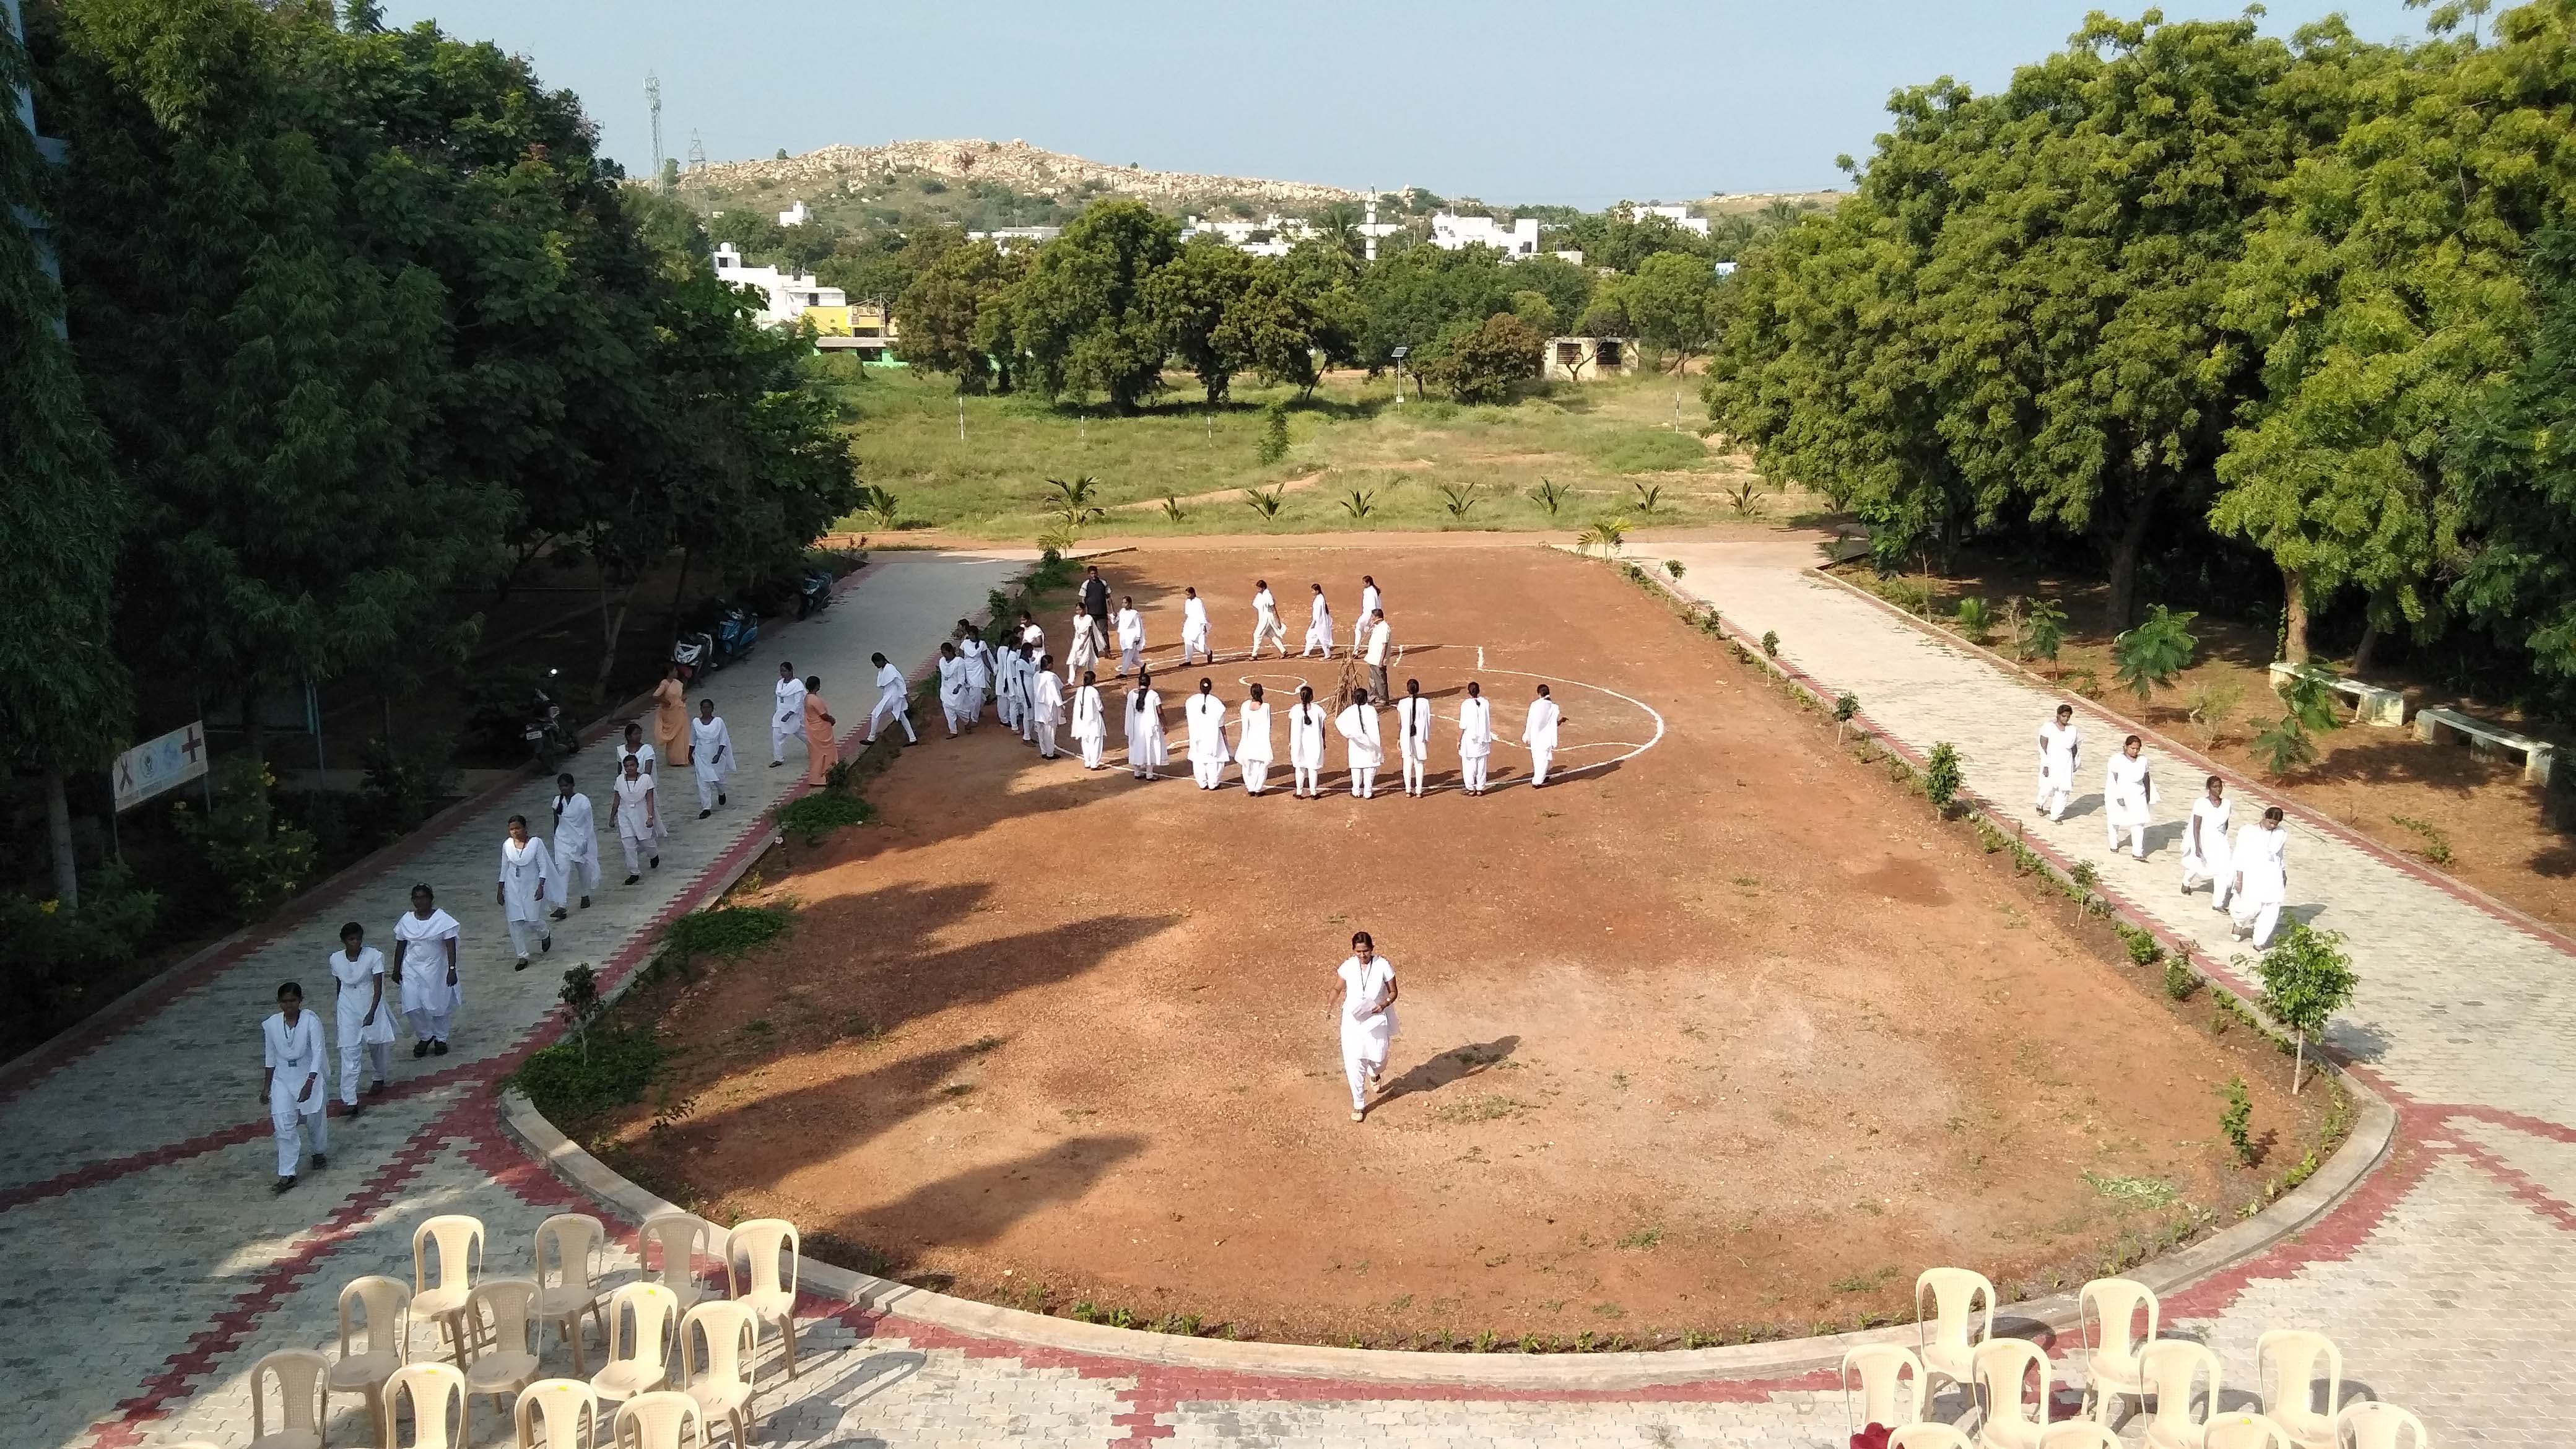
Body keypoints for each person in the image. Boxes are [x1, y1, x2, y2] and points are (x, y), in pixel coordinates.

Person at [261, 981, 329, 1191]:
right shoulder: (272, 1024)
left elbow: (318, 1051)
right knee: (283, 1124)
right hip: (282, 1077)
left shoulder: (311, 1021)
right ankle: (288, 1173)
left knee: (314, 1117)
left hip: (308, 1073)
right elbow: (270, 1056)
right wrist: (267, 1087)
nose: (288, 1006)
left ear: (300, 1000)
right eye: (284, 1002)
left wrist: (310, 1082)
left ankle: (319, 1151)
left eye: (292, 1001)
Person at [1332, 932, 1399, 1123]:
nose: (1363, 955)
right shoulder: (1348, 966)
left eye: (1366, 951)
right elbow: (1338, 987)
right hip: (1352, 1020)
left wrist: (1384, 1004)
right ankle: (1359, 1104)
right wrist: (1331, 1000)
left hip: (1376, 1018)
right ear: (1354, 951)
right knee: (1353, 1060)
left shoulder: (1382, 965)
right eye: (1359, 952)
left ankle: (1375, 1073)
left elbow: (1394, 992)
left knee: (1379, 1058)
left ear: (1372, 949)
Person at [327, 922, 392, 1116]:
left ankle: (379, 1076)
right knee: (348, 1049)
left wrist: (372, 1012)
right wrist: (341, 1009)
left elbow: (378, 986)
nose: (355, 943)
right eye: (351, 939)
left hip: (370, 1000)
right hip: (347, 1005)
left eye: (358, 939)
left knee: (377, 1044)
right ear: (344, 941)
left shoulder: (374, 956)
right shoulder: (336, 959)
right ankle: (350, 1099)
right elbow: (339, 984)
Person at [391, 884, 461, 1058]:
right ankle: (425, 1036)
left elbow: (450, 945)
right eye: (416, 898)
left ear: (431, 899)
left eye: (423, 897)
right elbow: (401, 944)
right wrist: (396, 968)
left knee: (439, 1005)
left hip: (437, 967)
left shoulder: (442, 920)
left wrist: (452, 969)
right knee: (411, 1005)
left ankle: (441, 1038)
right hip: (412, 968)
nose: (419, 901)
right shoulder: (406, 920)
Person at [496, 814, 554, 971]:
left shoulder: (536, 843)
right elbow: (504, 867)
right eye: (511, 829)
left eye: (518, 828)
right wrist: (500, 889)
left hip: (532, 885)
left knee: (533, 919)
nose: (515, 832)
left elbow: (543, 866)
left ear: (525, 828)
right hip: (512, 887)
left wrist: (541, 886)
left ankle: (544, 933)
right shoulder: (507, 845)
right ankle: (522, 955)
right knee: (515, 922)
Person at [2229, 806, 2291, 947]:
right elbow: (2240, 855)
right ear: (2264, 816)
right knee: (2249, 907)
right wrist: (2239, 878)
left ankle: (2259, 941)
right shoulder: (2248, 831)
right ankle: (2239, 922)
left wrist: (2283, 873)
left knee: (2272, 906)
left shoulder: (2281, 833)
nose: (2273, 826)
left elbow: (2280, 855)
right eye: (2270, 822)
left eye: (2276, 823)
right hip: (2251, 873)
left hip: (2272, 874)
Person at [548, 773, 598, 918]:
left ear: (572, 785)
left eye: (566, 785)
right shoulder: (557, 801)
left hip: (580, 840)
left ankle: (585, 894)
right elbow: (556, 821)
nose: (564, 788)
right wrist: (556, 836)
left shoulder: (583, 801)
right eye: (561, 786)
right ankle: (561, 905)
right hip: (562, 840)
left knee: (582, 869)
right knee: (563, 870)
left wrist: (586, 841)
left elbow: (588, 823)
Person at [2182, 775, 2234, 903]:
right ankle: (2186, 882)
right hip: (2204, 838)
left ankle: (2218, 903)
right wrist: (2197, 846)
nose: (2218, 789)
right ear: (2208, 788)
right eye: (2215, 787)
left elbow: (2225, 823)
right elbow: (2196, 826)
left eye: (2220, 786)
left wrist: (2223, 837)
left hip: (2220, 840)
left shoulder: (2226, 804)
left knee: (2223, 869)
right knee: (2197, 863)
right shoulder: (2201, 803)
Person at [2104, 734, 2156, 859]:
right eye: (2132, 748)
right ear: (2126, 747)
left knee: (2139, 822)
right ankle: (2114, 843)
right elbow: (2114, 779)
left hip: (2138, 794)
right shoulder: (2116, 759)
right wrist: (2119, 795)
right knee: (2115, 819)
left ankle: (2137, 852)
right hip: (2119, 792)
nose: (2135, 751)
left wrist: (2148, 795)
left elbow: (2146, 777)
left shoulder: (2143, 760)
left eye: (2137, 749)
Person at [610, 755, 659, 883]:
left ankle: (653, 855)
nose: (629, 768)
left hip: (641, 812)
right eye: (626, 766)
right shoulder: (620, 780)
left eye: (632, 765)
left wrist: (650, 817)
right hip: (625, 813)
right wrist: (612, 817)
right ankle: (634, 872)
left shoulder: (646, 779)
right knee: (628, 844)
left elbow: (649, 799)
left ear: (637, 766)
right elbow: (616, 799)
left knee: (646, 841)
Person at [1336, 686, 1384, 798]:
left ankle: (1356, 791)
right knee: (1370, 766)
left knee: (1356, 766)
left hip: (1355, 744)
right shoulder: (1372, 710)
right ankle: (1368, 792)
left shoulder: (1350, 710)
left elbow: (1338, 722)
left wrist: (1350, 735)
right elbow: (1377, 725)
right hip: (1371, 742)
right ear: (1366, 698)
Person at [2035, 703, 2081, 822]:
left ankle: (2056, 815)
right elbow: (2043, 746)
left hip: (2066, 762)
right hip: (2051, 761)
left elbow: (2074, 747)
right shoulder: (2048, 728)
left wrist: (2075, 762)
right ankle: (2040, 804)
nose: (2066, 719)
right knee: (2047, 787)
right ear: (2058, 715)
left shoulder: (2072, 730)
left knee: (2064, 789)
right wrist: (2046, 764)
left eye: (2068, 717)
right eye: (2064, 716)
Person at [689, 699, 734, 817]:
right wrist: (690, 755)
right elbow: (693, 740)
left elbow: (723, 739)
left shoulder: (718, 722)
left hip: (715, 754)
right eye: (704, 707)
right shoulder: (696, 722)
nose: (706, 710)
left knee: (718, 778)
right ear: (700, 709)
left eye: (708, 707)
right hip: (701, 755)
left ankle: (721, 792)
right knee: (703, 782)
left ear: (713, 709)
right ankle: (706, 807)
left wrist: (718, 755)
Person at [1185, 678, 1231, 789]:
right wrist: (1224, 736)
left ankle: (1202, 783)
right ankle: (1213, 783)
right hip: (1213, 736)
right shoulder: (1216, 703)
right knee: (1215, 759)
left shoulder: (1191, 701)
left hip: (1196, 734)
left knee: (1198, 758)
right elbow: (1221, 724)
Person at [1391, 678, 1434, 797]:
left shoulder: (1402, 703)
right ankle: (1419, 791)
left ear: (1407, 690)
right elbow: (1428, 721)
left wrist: (1399, 738)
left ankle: (1408, 790)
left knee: (1407, 763)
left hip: (1406, 735)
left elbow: (1399, 722)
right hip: (1420, 736)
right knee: (1419, 763)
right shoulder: (1425, 702)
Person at [864, 653, 916, 746]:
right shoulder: (884, 670)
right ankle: (913, 738)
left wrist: (907, 697)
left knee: (876, 713)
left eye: (876, 663)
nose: (875, 665)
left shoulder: (890, 668)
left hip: (893, 696)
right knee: (902, 717)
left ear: (880, 661)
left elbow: (900, 683)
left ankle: (871, 738)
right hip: (892, 695)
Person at [1125, 671, 1168, 780]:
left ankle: (1137, 772)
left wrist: (1126, 694)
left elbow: (1133, 701)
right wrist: (1165, 724)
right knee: (1150, 747)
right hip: (1149, 724)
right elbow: (1160, 711)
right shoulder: (1154, 695)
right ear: (1149, 683)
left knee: (1137, 746)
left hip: (1136, 725)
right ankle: (1149, 774)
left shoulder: (1131, 694)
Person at [1289, 684, 1328, 798]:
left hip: (1299, 743)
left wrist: (1290, 742)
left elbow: (1290, 727)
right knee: (1313, 767)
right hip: (1314, 742)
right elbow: (1323, 727)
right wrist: (1323, 740)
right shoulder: (1318, 710)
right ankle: (1313, 792)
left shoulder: (1295, 710)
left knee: (1300, 767)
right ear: (1311, 697)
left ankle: (1299, 792)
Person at [652, 664, 692, 772]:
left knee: (682, 734)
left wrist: (682, 698)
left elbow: (680, 694)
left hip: (680, 710)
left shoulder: (678, 683)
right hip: (671, 713)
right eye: (675, 670)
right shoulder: (665, 684)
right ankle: (675, 759)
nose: (677, 672)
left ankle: (683, 758)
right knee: (674, 736)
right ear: (670, 672)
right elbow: (656, 696)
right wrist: (666, 702)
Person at [1523, 683, 1563, 787]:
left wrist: (1527, 734)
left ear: (1539, 694)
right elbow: (1553, 723)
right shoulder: (1553, 707)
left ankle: (1539, 779)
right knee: (1544, 758)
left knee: (1537, 758)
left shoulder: (1535, 705)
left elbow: (1530, 721)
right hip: (1546, 737)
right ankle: (1539, 780)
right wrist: (1561, 722)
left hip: (1536, 736)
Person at [1237, 682, 1274, 794]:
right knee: (1261, 765)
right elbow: (1268, 724)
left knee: (1248, 764)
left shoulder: (1245, 706)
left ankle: (1250, 787)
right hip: (1261, 740)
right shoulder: (1266, 707)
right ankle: (1258, 788)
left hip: (1248, 739)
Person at [1458, 681, 1494, 796]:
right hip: (1483, 739)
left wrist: (1459, 739)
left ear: (1469, 692)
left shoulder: (1466, 704)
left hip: (1470, 739)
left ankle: (1470, 787)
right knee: (1482, 764)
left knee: (1469, 764)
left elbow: (1463, 724)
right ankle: (1480, 788)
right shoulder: (1485, 703)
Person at [803, 675, 837, 786]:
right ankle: (825, 776)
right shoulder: (814, 700)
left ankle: (816, 777)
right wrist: (832, 720)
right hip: (821, 730)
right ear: (817, 686)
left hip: (813, 729)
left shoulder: (807, 698)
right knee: (827, 752)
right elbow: (823, 715)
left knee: (817, 754)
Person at [772, 662, 807, 768]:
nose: (782, 673)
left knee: (805, 736)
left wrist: (789, 714)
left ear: (791, 671)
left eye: (785, 671)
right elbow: (779, 699)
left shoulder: (797, 684)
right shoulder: (780, 684)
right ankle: (778, 759)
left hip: (793, 716)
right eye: (781, 671)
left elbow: (798, 702)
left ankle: (816, 750)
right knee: (776, 736)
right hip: (780, 715)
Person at [1071, 669, 1108, 769]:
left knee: (1085, 741)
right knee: (1095, 741)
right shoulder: (1094, 691)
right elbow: (1100, 707)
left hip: (1082, 720)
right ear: (1093, 680)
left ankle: (1087, 762)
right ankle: (1095, 764)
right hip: (1094, 720)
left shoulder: (1080, 690)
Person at [1032, 655, 1067, 757]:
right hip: (1049, 706)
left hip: (1039, 705)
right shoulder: (1051, 676)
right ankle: (1050, 753)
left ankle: (1044, 751)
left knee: (1041, 730)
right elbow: (1055, 692)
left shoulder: (1036, 675)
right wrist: (1061, 707)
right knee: (1050, 730)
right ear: (1048, 664)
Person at [936, 643, 972, 738]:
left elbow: (962, 677)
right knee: (948, 712)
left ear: (951, 651)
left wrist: (958, 687)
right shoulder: (942, 661)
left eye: (945, 653)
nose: (944, 655)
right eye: (942, 653)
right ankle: (953, 731)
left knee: (962, 711)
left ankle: (967, 721)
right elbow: (944, 675)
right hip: (946, 691)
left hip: (957, 691)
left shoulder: (959, 661)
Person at [958, 622, 993, 718]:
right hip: (967, 670)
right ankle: (970, 713)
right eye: (970, 635)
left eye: (973, 635)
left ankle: (974, 718)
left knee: (977, 696)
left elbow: (985, 659)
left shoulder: (982, 644)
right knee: (969, 695)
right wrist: (960, 672)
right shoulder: (965, 643)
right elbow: (961, 659)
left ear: (976, 635)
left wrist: (992, 670)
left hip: (978, 671)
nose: (971, 636)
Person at [996, 637, 1029, 733]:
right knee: (1015, 705)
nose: (1020, 645)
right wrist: (1018, 685)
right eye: (1019, 644)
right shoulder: (1013, 656)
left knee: (1014, 705)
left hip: (1011, 684)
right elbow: (1014, 673)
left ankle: (1015, 725)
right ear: (1016, 644)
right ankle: (1015, 726)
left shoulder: (1010, 654)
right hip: (1015, 684)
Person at [1250, 580, 1288, 659]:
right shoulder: (1261, 595)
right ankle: (1283, 651)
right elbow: (1256, 604)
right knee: (1271, 635)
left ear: (1263, 588)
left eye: (1259, 589)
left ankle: (1254, 655)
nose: (1258, 590)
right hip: (1263, 618)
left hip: (1267, 619)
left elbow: (1274, 609)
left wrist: (1278, 621)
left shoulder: (1268, 595)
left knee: (1257, 635)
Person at [1066, 601, 1102, 682]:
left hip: (1086, 641)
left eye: (1080, 610)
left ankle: (1091, 678)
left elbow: (1089, 632)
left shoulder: (1088, 618)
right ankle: (1071, 680)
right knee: (1072, 659)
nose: (1078, 612)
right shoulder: (1076, 618)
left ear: (1084, 609)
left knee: (1089, 659)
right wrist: (1078, 641)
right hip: (1077, 640)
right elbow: (1077, 630)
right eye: (1077, 610)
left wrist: (1084, 643)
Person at [1362, 609, 1393, 702]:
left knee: (1380, 680)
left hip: (1378, 659)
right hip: (1373, 658)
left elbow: (1385, 646)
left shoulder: (1385, 628)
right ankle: (1372, 697)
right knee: (1372, 680)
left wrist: (1381, 661)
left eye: (1373, 617)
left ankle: (1384, 699)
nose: (1371, 619)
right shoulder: (1377, 627)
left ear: (1377, 617)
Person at [1180, 586, 1213, 664]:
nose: (1187, 597)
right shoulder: (1187, 602)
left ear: (1193, 594)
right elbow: (1187, 614)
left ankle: (1209, 653)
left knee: (1200, 646)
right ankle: (1188, 660)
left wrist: (1204, 625)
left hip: (1199, 625)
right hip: (1190, 624)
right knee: (1187, 640)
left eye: (1189, 595)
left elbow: (1202, 614)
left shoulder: (1199, 602)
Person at [1115, 596, 1146, 677]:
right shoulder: (1122, 611)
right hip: (1124, 637)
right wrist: (1113, 615)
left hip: (1132, 637)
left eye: (1126, 603)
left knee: (1127, 655)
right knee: (1133, 658)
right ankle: (1142, 665)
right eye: (1123, 603)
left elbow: (1139, 625)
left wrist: (1138, 637)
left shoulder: (1134, 613)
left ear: (1130, 603)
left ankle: (1123, 673)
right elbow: (1116, 619)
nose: (1124, 604)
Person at [1080, 564, 1112, 643]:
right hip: (1091, 613)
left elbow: (1109, 598)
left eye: (1095, 573)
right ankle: (1095, 652)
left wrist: (1112, 610)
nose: (1093, 575)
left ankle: (1107, 651)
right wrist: (1084, 612)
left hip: (1102, 612)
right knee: (1092, 633)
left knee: (1104, 632)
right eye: (1092, 574)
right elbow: (1083, 599)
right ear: (1089, 574)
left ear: (1097, 573)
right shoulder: (1085, 585)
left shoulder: (1103, 583)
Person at [1302, 585, 1334, 658]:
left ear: (1317, 591)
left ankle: (1328, 655)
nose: (1312, 592)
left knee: (1322, 638)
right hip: (1318, 622)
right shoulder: (1319, 598)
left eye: (1313, 591)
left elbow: (1318, 613)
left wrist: (1314, 623)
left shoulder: (1320, 600)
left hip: (1319, 623)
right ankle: (1306, 653)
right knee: (1311, 636)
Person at [1354, 575, 1383, 656]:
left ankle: (1356, 651)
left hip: (1369, 614)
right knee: (1370, 631)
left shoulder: (1371, 592)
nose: (1363, 584)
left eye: (1364, 583)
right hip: (1370, 614)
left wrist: (1372, 619)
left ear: (1368, 583)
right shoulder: (1371, 590)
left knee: (1359, 628)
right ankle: (1374, 649)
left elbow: (1373, 606)